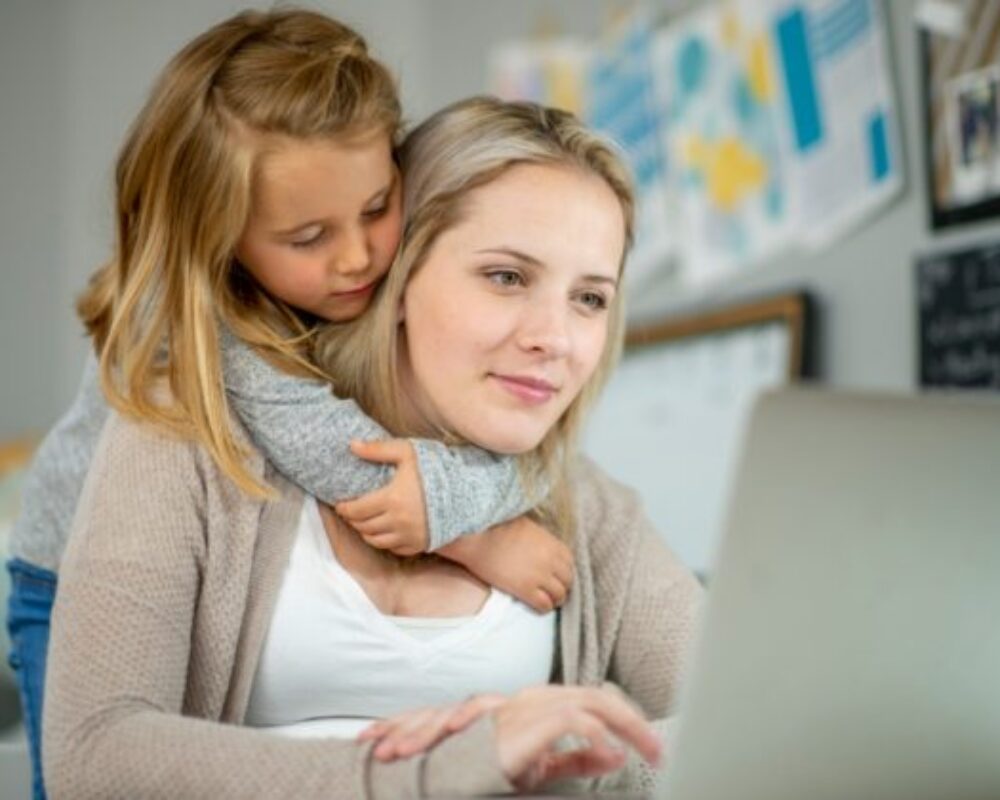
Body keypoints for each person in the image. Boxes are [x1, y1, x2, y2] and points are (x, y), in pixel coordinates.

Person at [42, 96, 702, 798]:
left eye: (590, 299)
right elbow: (96, 755)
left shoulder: (585, 506)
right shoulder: (190, 433)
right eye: (507, 277)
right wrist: (438, 771)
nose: (556, 339)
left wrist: (569, 754)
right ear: (399, 275)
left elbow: (768, 729)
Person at [5, 11, 569, 799]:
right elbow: (355, 464)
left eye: (377, 206)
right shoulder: (206, 324)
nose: (358, 255)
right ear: (219, 238)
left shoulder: (358, 281)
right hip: (65, 575)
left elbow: (536, 438)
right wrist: (480, 532)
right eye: (307, 237)